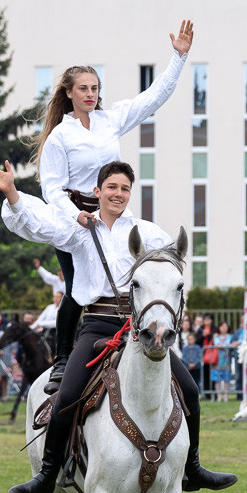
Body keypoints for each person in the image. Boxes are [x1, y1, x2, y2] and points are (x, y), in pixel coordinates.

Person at [0, 156, 234, 493]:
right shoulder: (78, 228)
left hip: (138, 328)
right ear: (97, 191)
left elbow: (169, 270)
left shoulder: (148, 232)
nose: (118, 193)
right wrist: (12, 193)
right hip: (97, 325)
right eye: (112, 187)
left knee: (189, 389)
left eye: (125, 188)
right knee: (67, 395)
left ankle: (193, 468)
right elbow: (37, 224)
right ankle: (48, 473)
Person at [29, 20, 195, 394]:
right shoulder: (60, 136)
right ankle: (62, 360)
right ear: (69, 93)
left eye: (95, 88)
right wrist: (75, 215)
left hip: (115, 212)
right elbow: (51, 187)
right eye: (83, 88)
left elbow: (153, 97)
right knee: (77, 287)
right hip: (76, 217)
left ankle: (142, 336)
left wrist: (178, 58)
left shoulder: (110, 120)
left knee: (135, 277)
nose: (90, 94)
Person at [212, 321, 233, 402]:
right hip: (217, 360)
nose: (224, 328)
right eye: (222, 326)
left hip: (227, 360)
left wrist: (223, 345)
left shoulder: (230, 336)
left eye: (225, 326)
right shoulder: (216, 336)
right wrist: (224, 345)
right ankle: (219, 396)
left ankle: (226, 395)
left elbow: (228, 344)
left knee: (226, 378)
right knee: (217, 378)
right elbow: (217, 344)